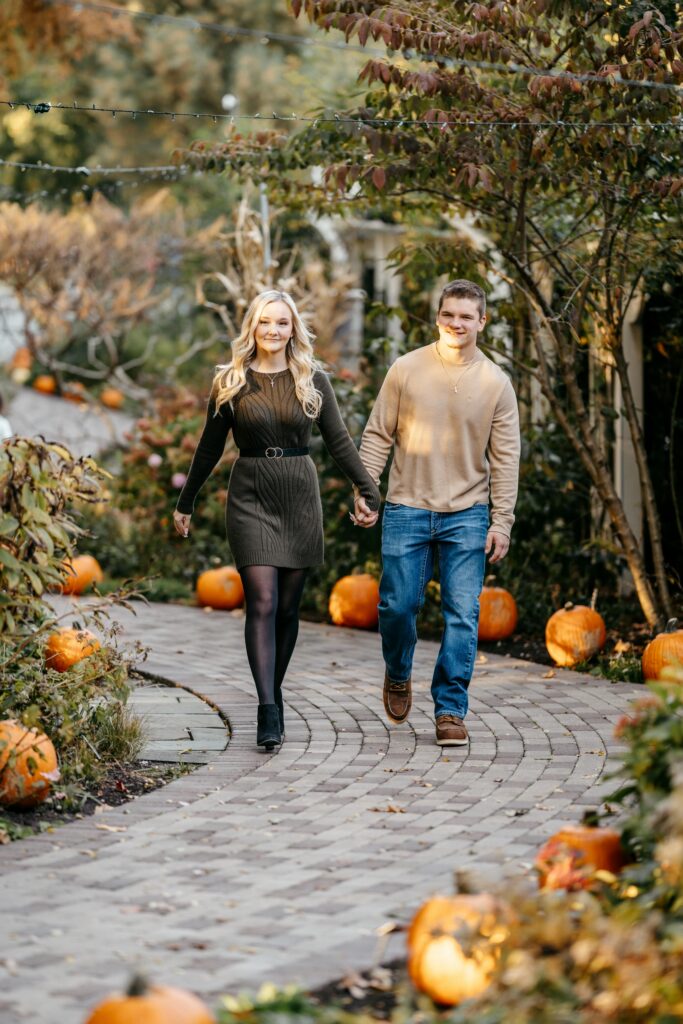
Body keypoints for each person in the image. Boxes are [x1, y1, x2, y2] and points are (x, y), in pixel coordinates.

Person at [173, 289, 380, 751]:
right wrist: (186, 501)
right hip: (249, 494)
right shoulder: (231, 381)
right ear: (252, 327)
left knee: (287, 609)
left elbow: (340, 442)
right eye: (265, 322)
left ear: (293, 329)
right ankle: (268, 709)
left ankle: (275, 690)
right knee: (262, 602)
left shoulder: (313, 380)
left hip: (298, 496)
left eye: (282, 323)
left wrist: (369, 490)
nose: (273, 330)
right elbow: (209, 448)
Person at [353, 279, 520, 747]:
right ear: (438, 317)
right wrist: (366, 491)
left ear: (481, 322)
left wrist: (501, 520)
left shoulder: (495, 384)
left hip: (467, 513)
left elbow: (506, 459)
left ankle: (450, 709)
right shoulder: (406, 370)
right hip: (407, 507)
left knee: (463, 613)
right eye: (449, 314)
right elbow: (377, 435)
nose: (456, 323)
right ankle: (398, 671)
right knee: (396, 607)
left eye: (466, 316)